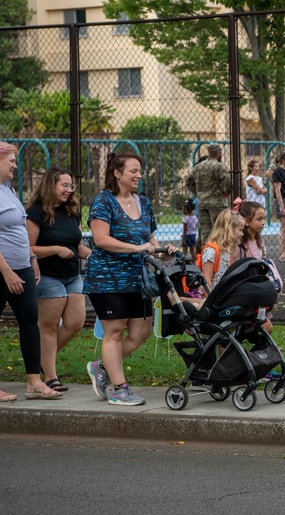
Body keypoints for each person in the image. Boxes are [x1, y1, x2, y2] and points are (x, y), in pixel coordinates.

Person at [85, 152, 176, 406]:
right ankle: (119, 388)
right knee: (113, 332)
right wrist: (136, 248)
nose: (139, 175)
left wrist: (161, 252)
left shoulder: (142, 202)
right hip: (108, 279)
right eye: (133, 171)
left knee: (141, 333)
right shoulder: (103, 202)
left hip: (138, 279)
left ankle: (101, 366)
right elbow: (101, 239)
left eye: (139, 170)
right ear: (117, 173)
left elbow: (149, 237)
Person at [0, 142, 61, 402]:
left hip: (22, 267)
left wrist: (31, 257)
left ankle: (34, 382)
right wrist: (7, 272)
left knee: (29, 321)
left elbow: (18, 229)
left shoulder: (7, 188)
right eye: (11, 160)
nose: (16, 165)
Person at [26, 167, 91, 393]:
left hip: (72, 275)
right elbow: (28, 248)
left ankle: (42, 360)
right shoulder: (36, 213)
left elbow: (77, 245)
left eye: (70, 186)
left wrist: (91, 253)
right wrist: (55, 249)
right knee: (49, 326)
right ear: (50, 185)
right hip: (46, 275)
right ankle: (51, 376)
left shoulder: (72, 212)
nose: (69, 190)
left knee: (75, 322)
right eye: (64, 185)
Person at [238, 201, 276, 334]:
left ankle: (254, 353)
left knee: (267, 328)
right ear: (247, 221)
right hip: (247, 290)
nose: (263, 222)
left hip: (258, 289)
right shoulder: (241, 244)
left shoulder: (259, 241)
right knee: (266, 327)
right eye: (259, 219)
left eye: (264, 218)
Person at [186, 144, 231, 244]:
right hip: (217, 203)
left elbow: (188, 181)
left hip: (203, 202)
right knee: (220, 230)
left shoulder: (198, 167)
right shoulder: (219, 166)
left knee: (205, 232)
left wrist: (198, 192)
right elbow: (227, 182)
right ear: (218, 153)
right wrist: (225, 192)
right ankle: (220, 255)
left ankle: (207, 254)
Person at [200, 209, 243, 290]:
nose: (242, 234)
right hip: (212, 296)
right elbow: (206, 278)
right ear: (229, 229)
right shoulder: (211, 250)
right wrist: (210, 300)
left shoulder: (227, 250)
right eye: (240, 230)